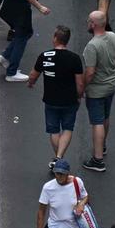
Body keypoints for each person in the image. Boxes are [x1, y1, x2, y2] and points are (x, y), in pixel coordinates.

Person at [31, 25, 86, 168]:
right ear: (67, 40)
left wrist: (31, 83)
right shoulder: (74, 59)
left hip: (50, 99)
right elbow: (80, 83)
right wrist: (79, 96)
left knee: (53, 130)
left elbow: (34, 75)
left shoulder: (45, 56)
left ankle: (58, 158)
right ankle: (59, 158)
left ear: (55, 38)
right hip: (69, 100)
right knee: (67, 128)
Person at [78, 10, 115, 172]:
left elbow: (90, 72)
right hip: (111, 84)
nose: (87, 23)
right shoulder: (113, 36)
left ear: (93, 25)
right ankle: (101, 146)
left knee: (97, 122)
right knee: (105, 117)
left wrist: (82, 88)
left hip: (97, 89)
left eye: (89, 21)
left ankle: (98, 160)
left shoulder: (92, 46)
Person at [36, 158, 91, 228]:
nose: (59, 176)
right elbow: (41, 212)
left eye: (62, 174)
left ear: (68, 173)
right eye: (57, 173)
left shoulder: (77, 182)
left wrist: (81, 204)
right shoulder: (48, 188)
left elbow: (86, 197)